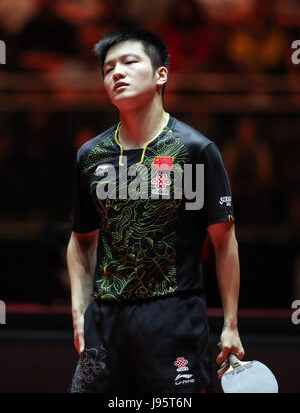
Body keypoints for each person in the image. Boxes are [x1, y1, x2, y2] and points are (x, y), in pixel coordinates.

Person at [67, 28, 244, 393]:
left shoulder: (193, 152)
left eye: (130, 62)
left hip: (173, 316)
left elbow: (223, 241)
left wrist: (230, 324)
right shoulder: (92, 157)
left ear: (161, 74)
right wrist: (79, 313)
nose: (117, 72)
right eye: (108, 68)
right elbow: (81, 240)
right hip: (105, 320)